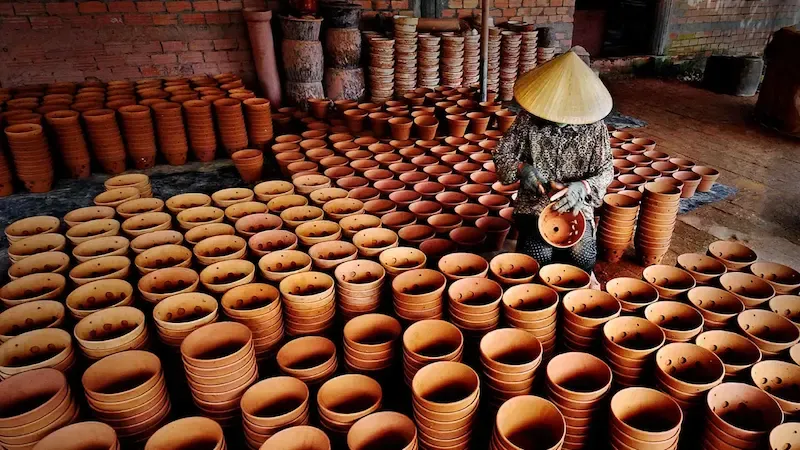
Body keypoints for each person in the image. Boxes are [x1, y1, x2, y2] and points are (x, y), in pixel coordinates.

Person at [494, 49, 614, 281]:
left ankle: (575, 296)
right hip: (536, 202)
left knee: (582, 255)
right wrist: (522, 169)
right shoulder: (527, 120)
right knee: (537, 255)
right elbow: (502, 154)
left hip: (577, 202)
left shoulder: (595, 127)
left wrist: (584, 187)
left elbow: (606, 170)